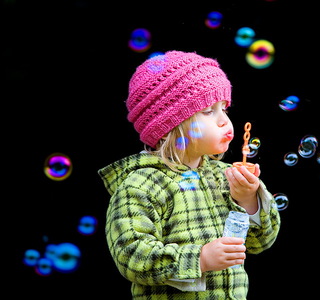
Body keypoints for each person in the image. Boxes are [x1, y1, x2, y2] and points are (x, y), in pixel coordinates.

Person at [98, 50, 281, 299]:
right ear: (171, 125)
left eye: (224, 109)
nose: (224, 122)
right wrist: (201, 259)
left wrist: (248, 201)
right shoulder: (141, 184)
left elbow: (259, 243)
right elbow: (130, 255)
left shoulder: (225, 176)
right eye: (208, 111)